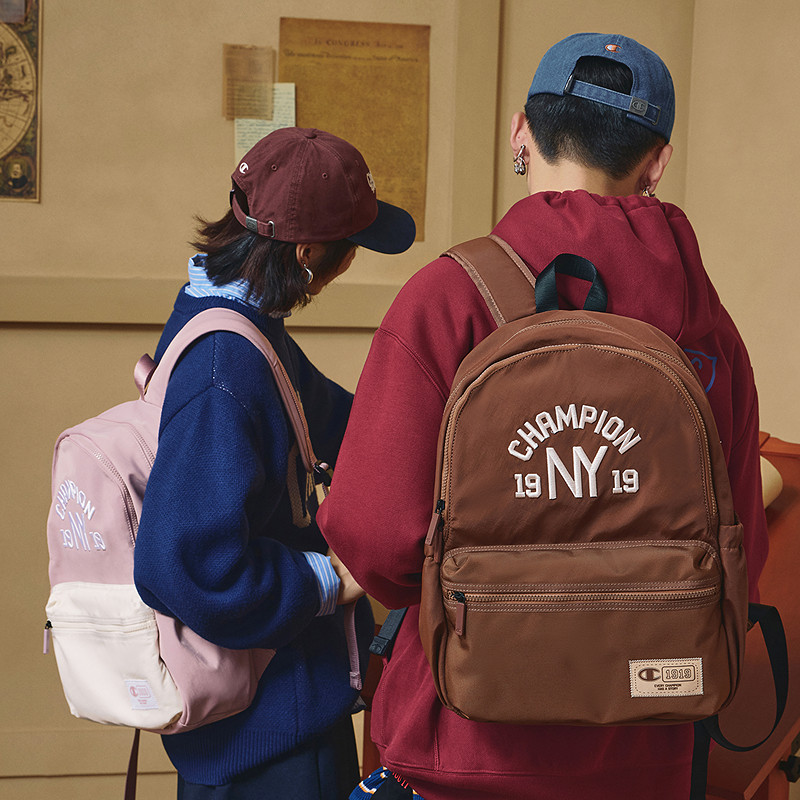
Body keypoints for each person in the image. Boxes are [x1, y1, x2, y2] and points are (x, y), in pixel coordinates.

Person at [318, 33, 768, 800]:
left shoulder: (449, 298)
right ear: (657, 162)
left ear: (521, 133)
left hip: (463, 742)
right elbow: (740, 553)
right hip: (647, 749)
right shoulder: (707, 329)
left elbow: (375, 536)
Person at [133, 127, 416, 799]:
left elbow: (343, 425)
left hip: (258, 725)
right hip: (269, 740)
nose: (352, 261)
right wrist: (332, 577)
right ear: (310, 253)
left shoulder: (232, 319)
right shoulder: (225, 366)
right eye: (352, 245)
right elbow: (187, 565)